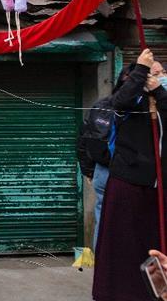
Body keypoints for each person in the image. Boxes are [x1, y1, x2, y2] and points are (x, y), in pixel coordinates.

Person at [93, 49, 167, 301]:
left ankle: (157, 290)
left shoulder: (163, 98)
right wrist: (140, 71)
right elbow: (120, 101)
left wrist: (159, 91)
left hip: (158, 186)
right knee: (123, 244)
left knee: (155, 243)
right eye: (151, 71)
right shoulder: (130, 101)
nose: (155, 75)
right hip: (128, 182)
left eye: (160, 72)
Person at [77, 90, 118, 249]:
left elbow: (83, 138)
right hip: (118, 170)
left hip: (101, 169)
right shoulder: (135, 108)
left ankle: (102, 263)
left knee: (102, 215)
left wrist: (88, 169)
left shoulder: (100, 106)